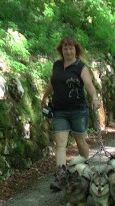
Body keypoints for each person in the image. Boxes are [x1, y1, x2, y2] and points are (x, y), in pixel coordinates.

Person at [41, 36, 101, 191]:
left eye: (71, 48)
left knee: (80, 142)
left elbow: (88, 84)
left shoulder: (81, 67)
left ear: (76, 50)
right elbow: (52, 83)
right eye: (65, 48)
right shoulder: (57, 66)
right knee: (60, 144)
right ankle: (60, 177)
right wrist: (45, 96)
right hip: (59, 111)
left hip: (78, 111)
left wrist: (94, 98)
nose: (68, 51)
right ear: (61, 50)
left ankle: (83, 169)